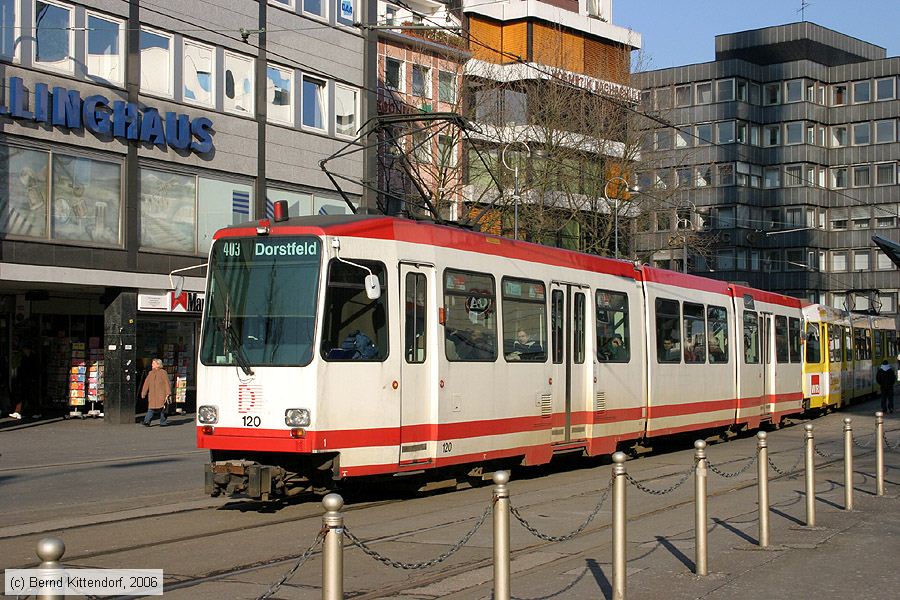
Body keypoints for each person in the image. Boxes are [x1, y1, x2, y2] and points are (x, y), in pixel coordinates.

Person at [10, 344, 40, 420]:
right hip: (25, 380)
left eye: (25, 349)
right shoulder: (25, 357)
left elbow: (35, 369)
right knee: (23, 396)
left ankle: (35, 412)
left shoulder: (33, 358)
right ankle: (18, 412)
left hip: (30, 380)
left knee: (30, 397)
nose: (24, 351)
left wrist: (33, 378)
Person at [141, 358, 172, 427]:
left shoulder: (163, 372)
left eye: (153, 363)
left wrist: (168, 393)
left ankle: (163, 422)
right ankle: (147, 421)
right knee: (151, 409)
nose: (152, 365)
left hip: (161, 395)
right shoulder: (150, 373)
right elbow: (146, 384)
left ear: (158, 365)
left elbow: (166, 383)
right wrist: (144, 393)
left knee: (162, 409)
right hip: (152, 395)